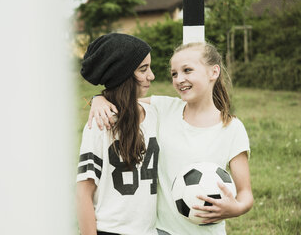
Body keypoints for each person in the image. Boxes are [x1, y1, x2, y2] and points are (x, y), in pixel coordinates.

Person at [88, 42, 253, 235]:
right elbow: (121, 101)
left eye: (187, 70)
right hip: (162, 231)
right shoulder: (165, 108)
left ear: (213, 72)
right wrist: (97, 99)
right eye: (174, 74)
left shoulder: (232, 128)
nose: (179, 79)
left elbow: (245, 192)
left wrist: (236, 208)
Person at [76, 33, 160, 235]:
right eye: (143, 69)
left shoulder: (155, 114)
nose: (152, 76)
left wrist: (98, 97)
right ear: (122, 75)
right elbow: (83, 194)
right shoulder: (100, 123)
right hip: (110, 230)